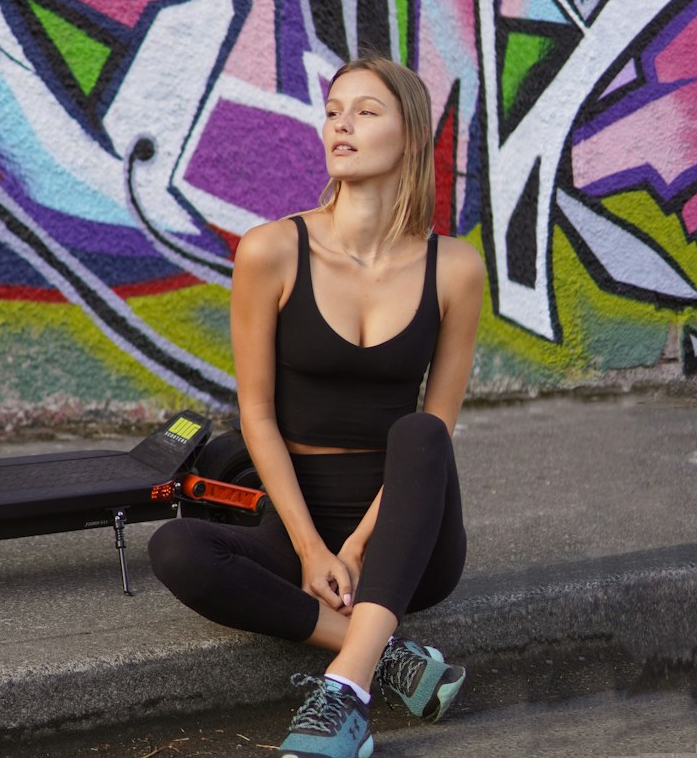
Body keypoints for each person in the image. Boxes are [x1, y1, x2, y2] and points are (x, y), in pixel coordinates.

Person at [148, 54, 485, 758]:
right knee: (176, 548)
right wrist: (310, 550)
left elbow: (442, 422)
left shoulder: (454, 267)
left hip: (408, 536)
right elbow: (258, 416)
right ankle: (383, 655)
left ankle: (345, 693)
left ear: (411, 136)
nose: (342, 124)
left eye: (366, 111)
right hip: (299, 520)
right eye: (334, 110)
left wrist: (360, 547)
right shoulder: (271, 250)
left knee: (423, 432)